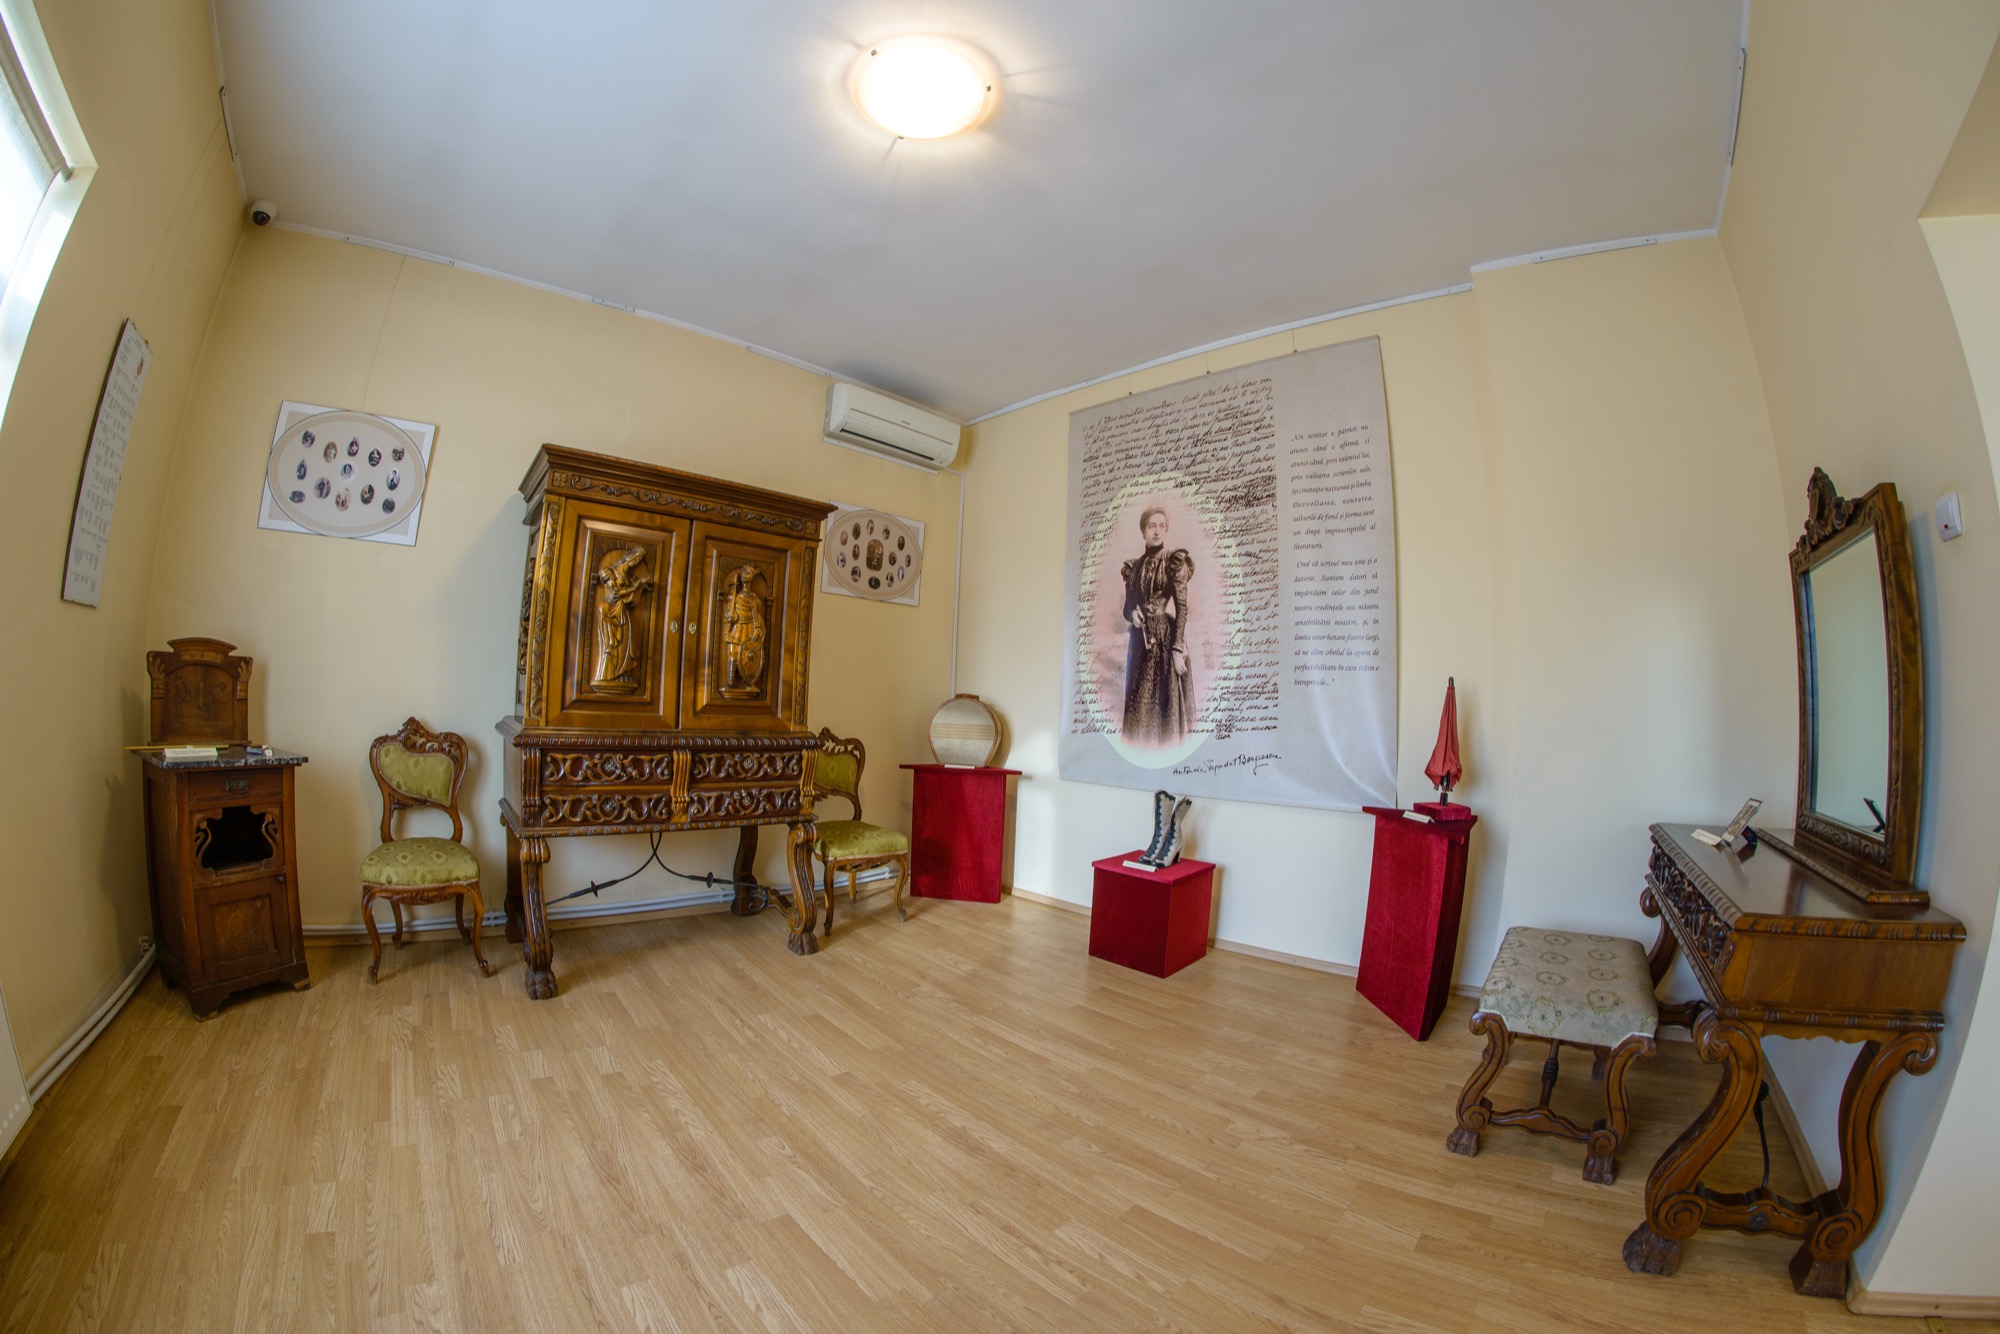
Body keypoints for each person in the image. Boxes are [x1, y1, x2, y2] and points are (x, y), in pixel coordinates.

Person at [1120, 505, 1193, 745]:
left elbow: (1182, 608)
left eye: (1162, 526)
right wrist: (1133, 615)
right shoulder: (1134, 567)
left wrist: (1178, 649)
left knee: (1164, 704)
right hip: (1139, 643)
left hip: (1164, 640)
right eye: (1152, 526)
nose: (1157, 531)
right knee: (1139, 704)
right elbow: (1127, 607)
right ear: (1143, 531)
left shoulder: (1173, 561)